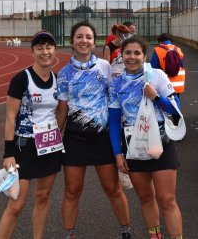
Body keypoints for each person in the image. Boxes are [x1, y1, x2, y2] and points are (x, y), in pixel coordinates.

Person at [57, 21, 132, 239]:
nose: (84, 41)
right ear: (72, 41)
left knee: (113, 189)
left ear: (94, 41)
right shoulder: (63, 73)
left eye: (88, 37)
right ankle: (68, 234)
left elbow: (114, 101)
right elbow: (62, 110)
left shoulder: (104, 67)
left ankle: (126, 230)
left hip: (102, 138)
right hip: (74, 139)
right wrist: (53, 140)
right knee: (72, 191)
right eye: (79, 36)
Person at [109, 37, 183, 239]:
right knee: (145, 198)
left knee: (167, 199)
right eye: (128, 53)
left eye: (136, 53)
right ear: (121, 55)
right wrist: (117, 153)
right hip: (133, 144)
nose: (132, 57)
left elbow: (176, 110)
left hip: (160, 141)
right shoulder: (116, 84)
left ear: (144, 56)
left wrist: (156, 97)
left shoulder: (157, 76)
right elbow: (114, 122)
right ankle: (155, 236)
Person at [0, 31, 63, 239]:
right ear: (33, 51)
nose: (45, 52)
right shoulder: (21, 79)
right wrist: (8, 153)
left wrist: (56, 135)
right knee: (16, 203)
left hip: (49, 146)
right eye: (40, 48)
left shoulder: (57, 79)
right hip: (23, 146)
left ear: (54, 50)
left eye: (49, 47)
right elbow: (10, 117)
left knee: (43, 197)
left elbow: (61, 110)